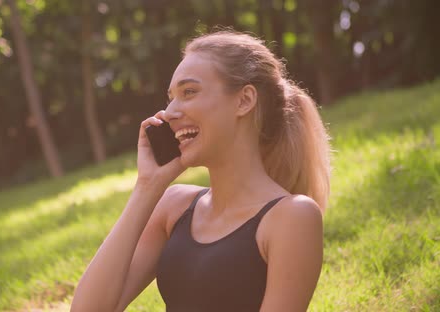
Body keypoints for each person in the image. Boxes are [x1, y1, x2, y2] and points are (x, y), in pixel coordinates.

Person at [71, 30, 331, 312]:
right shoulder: (173, 206)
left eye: (189, 92)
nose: (169, 112)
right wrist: (147, 186)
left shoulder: (292, 216)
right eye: (171, 97)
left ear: (244, 101)